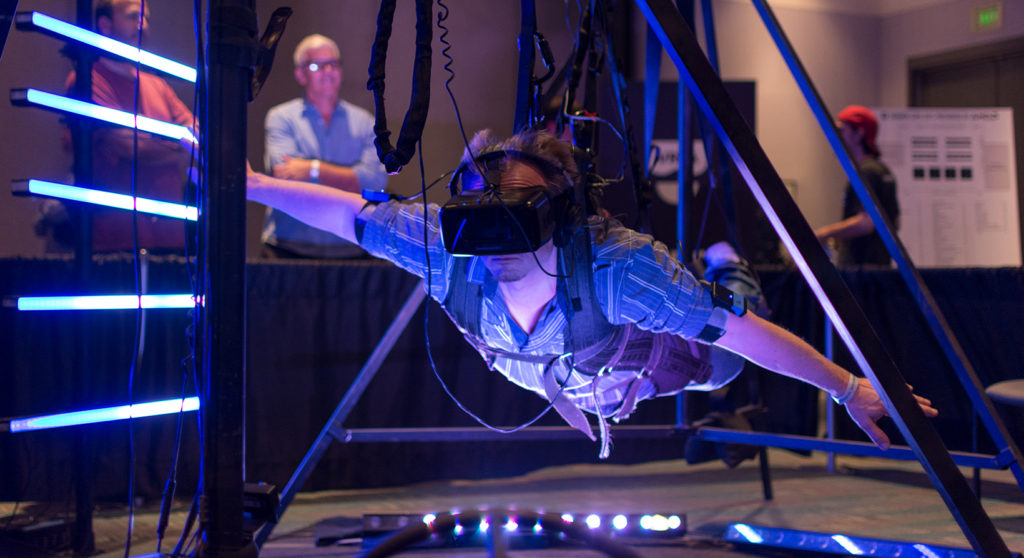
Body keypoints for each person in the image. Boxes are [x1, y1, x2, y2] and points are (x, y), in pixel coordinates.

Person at [247, 129, 937, 456]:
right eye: (477, 211)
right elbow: (349, 215)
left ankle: (726, 262)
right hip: (558, 371)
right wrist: (248, 184)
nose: (489, 237)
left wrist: (849, 387)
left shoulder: (617, 268)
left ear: (551, 211)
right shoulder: (444, 246)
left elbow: (740, 336)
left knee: (726, 336)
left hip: (658, 357)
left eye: (510, 211)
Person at [40, 0, 197, 254]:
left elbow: (197, 134)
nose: (142, 25)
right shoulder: (88, 79)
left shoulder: (157, 85)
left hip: (169, 237)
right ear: (105, 24)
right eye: (134, 17)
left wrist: (159, 142)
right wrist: (179, 147)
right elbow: (129, 145)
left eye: (146, 19)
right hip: (113, 240)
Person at [260, 34, 387, 259]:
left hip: (352, 246)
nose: (328, 71)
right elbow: (285, 177)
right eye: (317, 65)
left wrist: (312, 169)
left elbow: (375, 182)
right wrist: (350, 179)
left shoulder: (365, 121)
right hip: (289, 246)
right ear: (300, 74)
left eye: (333, 64)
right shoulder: (281, 117)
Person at [814, 105, 900, 266]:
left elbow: (865, 224)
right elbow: (895, 222)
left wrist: (824, 234)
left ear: (859, 133)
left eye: (841, 131)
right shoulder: (882, 171)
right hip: (879, 269)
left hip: (860, 272)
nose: (836, 137)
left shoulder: (865, 172)